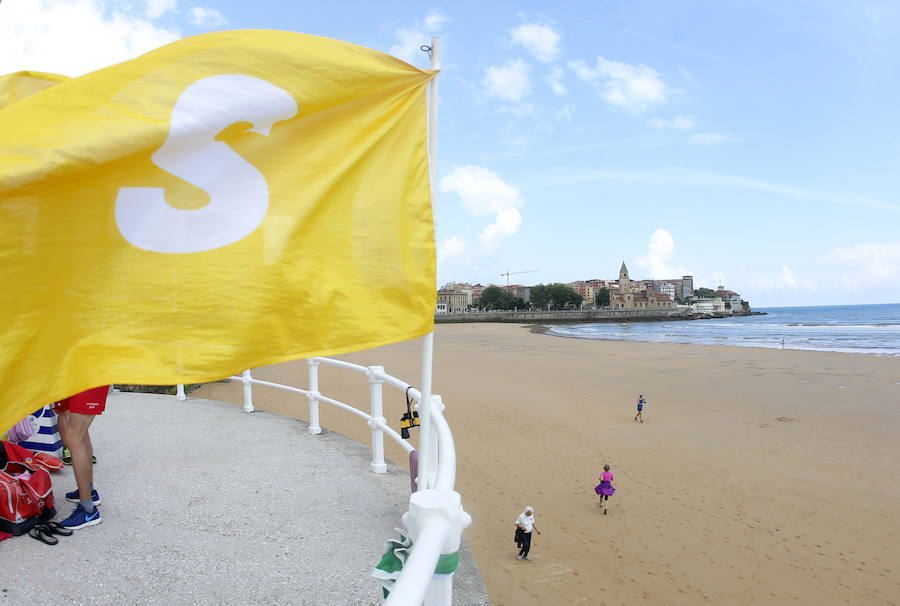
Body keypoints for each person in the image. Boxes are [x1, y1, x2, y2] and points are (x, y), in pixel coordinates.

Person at [54, 385, 109, 529]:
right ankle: (88, 491)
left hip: (91, 373)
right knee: (69, 423)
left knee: (75, 437)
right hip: (70, 374)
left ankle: (88, 510)